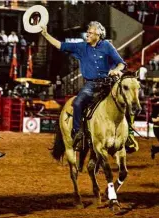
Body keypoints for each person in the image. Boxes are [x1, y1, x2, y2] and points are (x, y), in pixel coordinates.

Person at [41, 21, 128, 150]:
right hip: (91, 84)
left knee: (127, 100)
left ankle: (129, 135)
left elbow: (121, 63)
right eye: (87, 32)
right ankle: (78, 133)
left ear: (98, 34)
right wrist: (46, 34)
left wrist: (116, 70)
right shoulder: (81, 47)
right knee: (77, 103)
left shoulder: (107, 46)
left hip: (109, 83)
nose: (87, 34)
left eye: (90, 32)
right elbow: (60, 45)